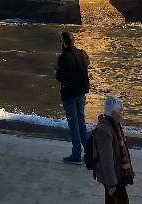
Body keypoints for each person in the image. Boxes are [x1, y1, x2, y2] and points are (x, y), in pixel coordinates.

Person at [91, 96, 135, 204]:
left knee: (110, 201)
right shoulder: (105, 131)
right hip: (112, 178)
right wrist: (111, 184)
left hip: (116, 174)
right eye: (120, 110)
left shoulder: (114, 125)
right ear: (113, 112)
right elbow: (106, 160)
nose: (122, 112)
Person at [56, 30, 90, 164]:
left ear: (64, 43)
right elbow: (87, 63)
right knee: (81, 122)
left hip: (70, 94)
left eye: (60, 41)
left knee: (73, 125)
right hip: (81, 93)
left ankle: (76, 155)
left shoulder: (64, 57)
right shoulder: (81, 53)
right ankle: (89, 152)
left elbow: (60, 76)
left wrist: (57, 71)